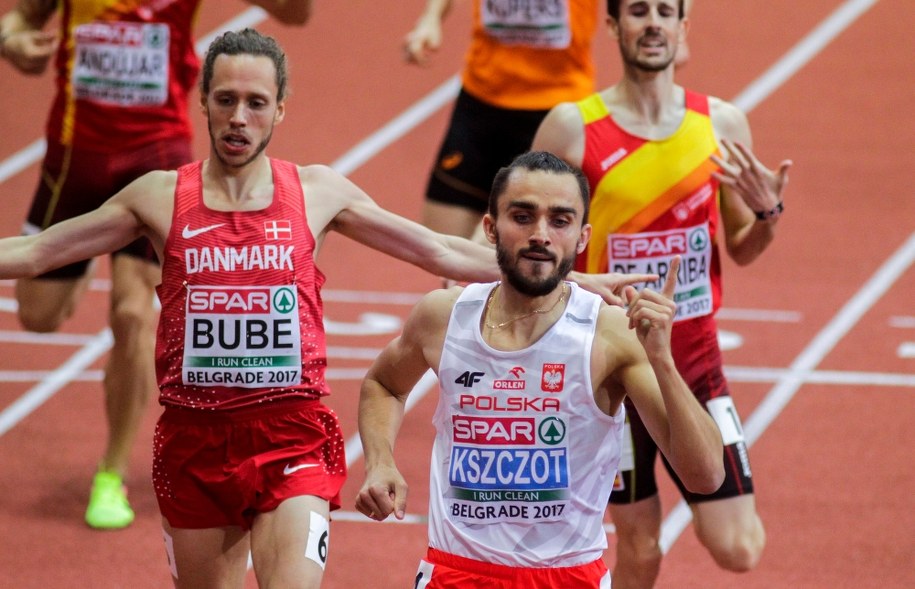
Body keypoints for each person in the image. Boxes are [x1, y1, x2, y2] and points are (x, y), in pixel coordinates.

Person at [0, 30, 650, 588]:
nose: (238, 118)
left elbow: (441, 250)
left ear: (280, 109)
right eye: (225, 100)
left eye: (255, 103)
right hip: (193, 441)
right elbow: (35, 254)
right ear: (203, 103)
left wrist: (584, 282)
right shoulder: (159, 197)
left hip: (291, 437)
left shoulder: (314, 192)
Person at [0, 0, 312, 530]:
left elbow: (294, 14)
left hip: (155, 154)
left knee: (131, 314)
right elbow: (20, 20)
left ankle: (110, 472)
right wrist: (13, 41)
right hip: (75, 155)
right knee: (39, 314)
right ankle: (85, 257)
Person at [355, 151, 725, 588]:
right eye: (523, 216)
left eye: (560, 220)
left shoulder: (609, 334)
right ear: (491, 228)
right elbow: (383, 384)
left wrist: (663, 360)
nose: (541, 235)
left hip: (567, 578)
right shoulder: (443, 317)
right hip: (455, 574)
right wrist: (380, 462)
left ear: (582, 237)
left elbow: (706, 476)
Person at [531, 0, 792, 586]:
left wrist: (768, 213)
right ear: (614, 25)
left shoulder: (721, 124)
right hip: (613, 362)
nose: (653, 23)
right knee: (641, 547)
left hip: (694, 360)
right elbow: (534, 230)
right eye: (639, 10)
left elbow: (742, 246)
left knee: (739, 547)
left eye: (665, 11)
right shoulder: (572, 126)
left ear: (683, 26)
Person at [403, 0, 603, 239]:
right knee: (439, 247)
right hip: (481, 102)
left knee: (531, 253)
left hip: (555, 113)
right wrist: (430, 18)